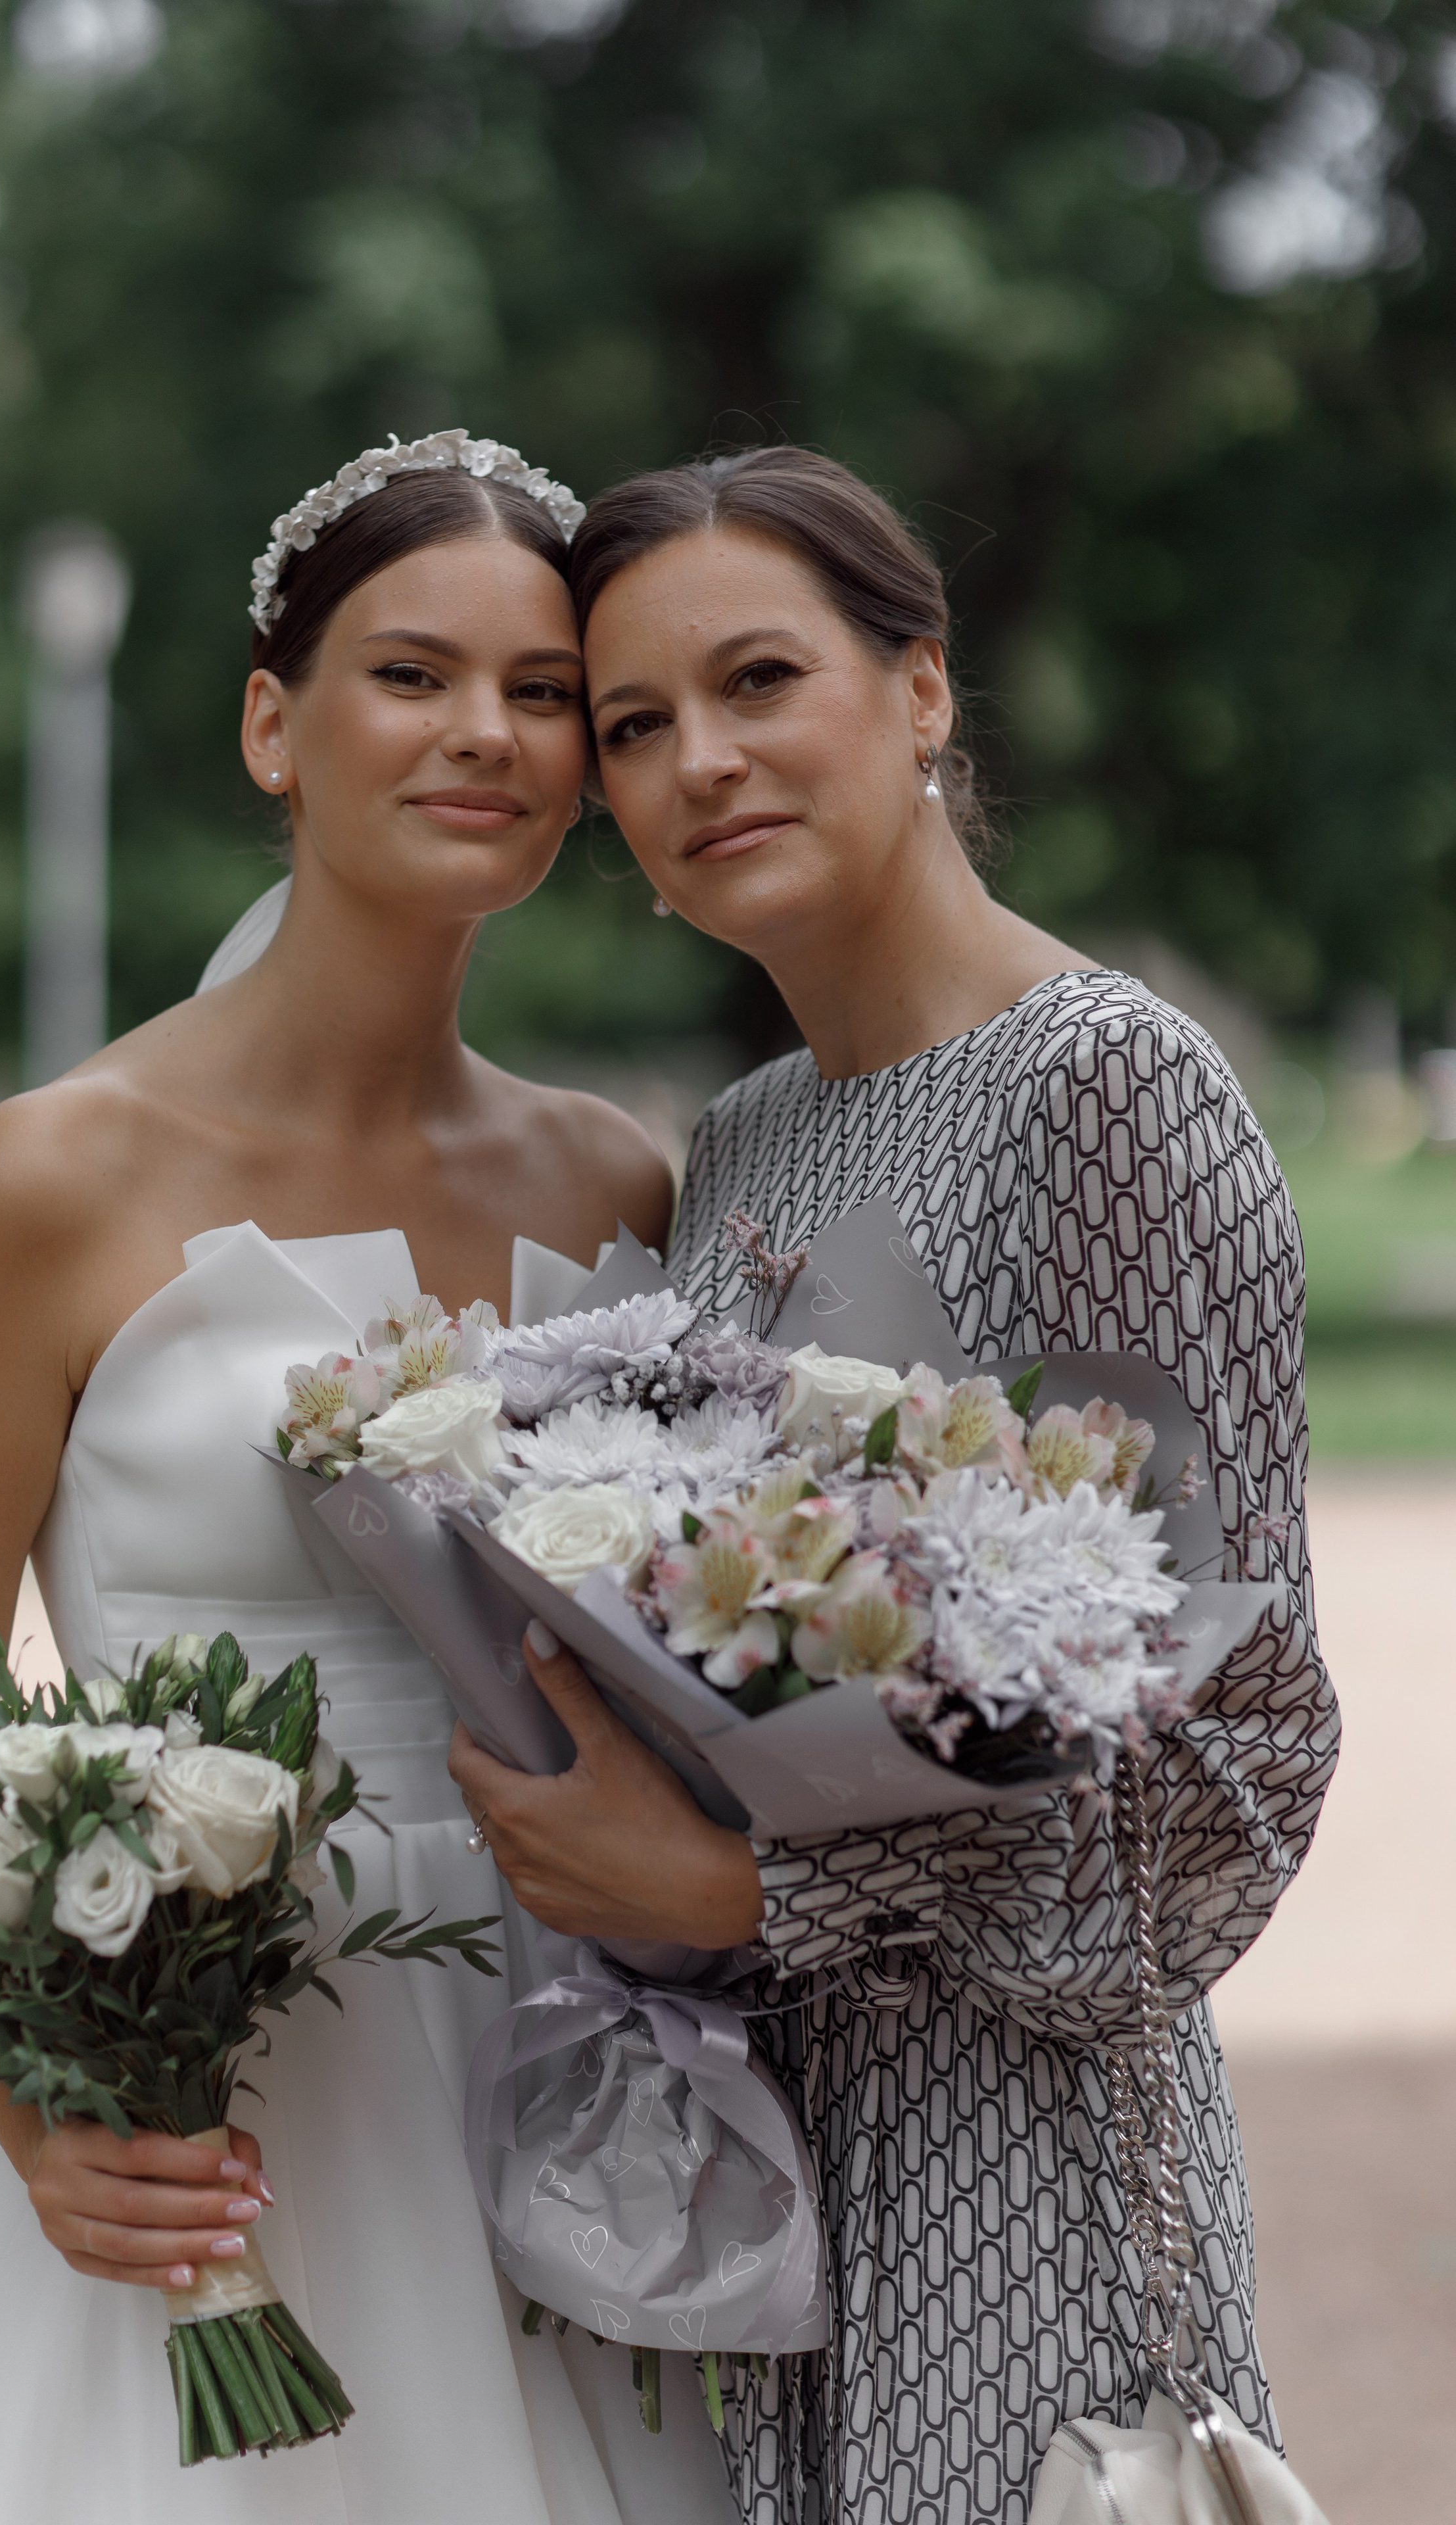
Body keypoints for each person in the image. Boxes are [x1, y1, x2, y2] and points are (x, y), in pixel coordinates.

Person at [0, 431, 739, 2525]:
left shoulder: (617, 1178)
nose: (483, 735)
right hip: (208, 2112)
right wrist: (42, 2115)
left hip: (568, 2076)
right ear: (270, 726)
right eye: (411, 675)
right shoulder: (53, 1182)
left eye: (544, 696)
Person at [447, 445, 1338, 2525]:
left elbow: (1233, 1785)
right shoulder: (744, 1145)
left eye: (762, 680)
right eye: (642, 725)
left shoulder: (1107, 1090)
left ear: (921, 692)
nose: (702, 764)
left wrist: (762, 1898)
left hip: (1034, 2164)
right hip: (776, 2155)